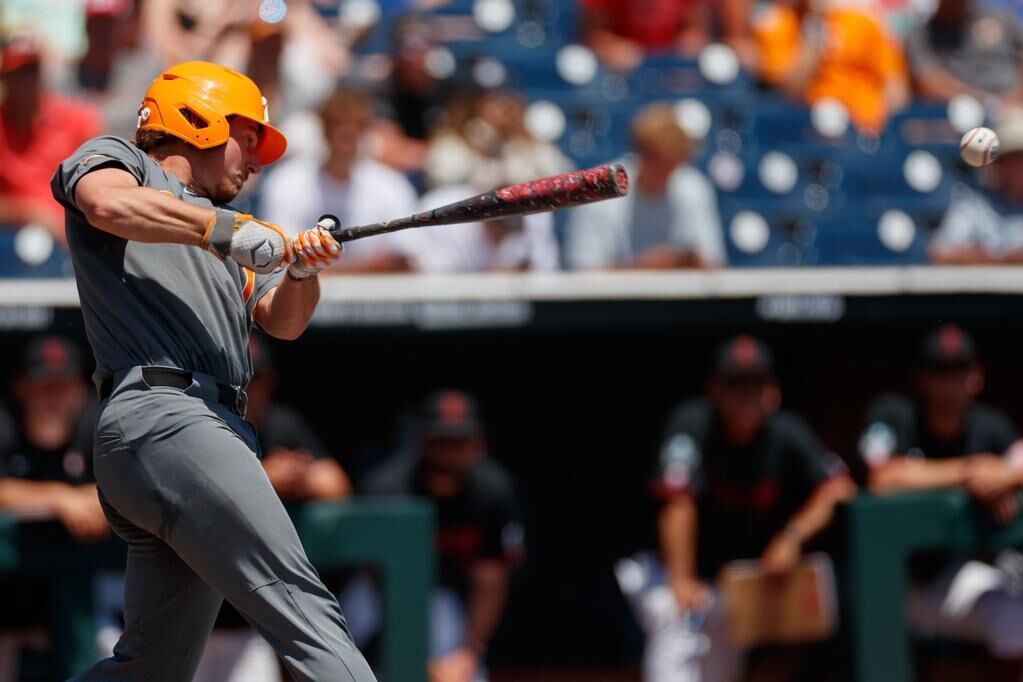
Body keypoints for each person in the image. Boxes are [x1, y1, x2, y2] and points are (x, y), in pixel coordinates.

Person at [49, 60, 374, 681]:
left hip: (198, 431)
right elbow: (106, 204)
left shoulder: (223, 244)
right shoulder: (124, 160)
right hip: (164, 414)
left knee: (151, 668)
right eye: (247, 138)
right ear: (196, 118)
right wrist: (228, 230)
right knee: (300, 604)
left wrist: (301, 270)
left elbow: (283, 321)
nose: (254, 162)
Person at [632, 336, 855, 682]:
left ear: (773, 391)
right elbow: (678, 500)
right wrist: (681, 578)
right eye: (736, 385)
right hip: (676, 575)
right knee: (670, 616)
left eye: (756, 384)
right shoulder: (694, 423)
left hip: (741, 585)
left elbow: (839, 488)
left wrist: (791, 537)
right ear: (715, 389)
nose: (746, 396)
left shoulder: (786, 432)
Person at [859, 324, 1023, 665]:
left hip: (942, 579)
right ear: (922, 377)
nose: (950, 381)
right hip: (882, 585)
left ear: (975, 376)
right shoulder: (894, 413)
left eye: (959, 369)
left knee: (1014, 619)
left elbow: (1017, 458)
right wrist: (971, 472)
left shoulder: (990, 425)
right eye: (939, 370)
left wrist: (1009, 475)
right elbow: (881, 475)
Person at [192, 335, 353, 682]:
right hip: (187, 617)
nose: (245, 388)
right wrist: (264, 477)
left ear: (269, 383)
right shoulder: (196, 417)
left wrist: (297, 476)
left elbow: (336, 484)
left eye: (254, 379)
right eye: (236, 377)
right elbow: (187, 492)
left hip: (246, 623)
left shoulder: (281, 425)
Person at [346, 390, 524, 682]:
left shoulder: (493, 493)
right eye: (443, 440)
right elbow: (374, 578)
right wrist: (419, 657)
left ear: (477, 442)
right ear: (424, 441)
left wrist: (468, 653)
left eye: (460, 440)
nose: (452, 451)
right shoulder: (388, 489)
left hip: (445, 598)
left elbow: (490, 579)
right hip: (378, 596)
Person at [0, 336, 105, 681]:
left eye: (64, 386)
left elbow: (147, 482)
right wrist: (60, 497)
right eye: (44, 385)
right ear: (21, 387)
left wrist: (104, 496)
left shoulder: (98, 425)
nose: (55, 398)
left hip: (86, 610)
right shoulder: (5, 424)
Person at [260, 86, 420, 273]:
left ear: (365, 129)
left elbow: (403, 258)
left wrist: (326, 272)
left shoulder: (391, 185)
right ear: (323, 127)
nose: (345, 133)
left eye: (355, 125)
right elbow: (280, 254)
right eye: (337, 123)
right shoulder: (287, 182)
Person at [565, 102, 725, 270]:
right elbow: (584, 271)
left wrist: (691, 260)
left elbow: (713, 265)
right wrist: (644, 267)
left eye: (672, 165)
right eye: (658, 163)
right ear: (640, 153)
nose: (665, 174)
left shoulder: (694, 188)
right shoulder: (600, 189)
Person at [0, 35, 103, 242]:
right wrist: (30, 213)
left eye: (32, 71)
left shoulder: (74, 120)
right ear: (5, 79)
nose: (26, 81)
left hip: (69, 236)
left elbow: (100, 183)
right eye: (19, 73)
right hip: (9, 236)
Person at [754, 0, 910, 133]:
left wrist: (874, 124)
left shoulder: (861, 23)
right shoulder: (778, 24)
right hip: (809, 129)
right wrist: (815, 30)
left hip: (866, 130)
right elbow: (790, 92)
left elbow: (896, 91)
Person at [424, 88, 571, 191]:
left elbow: (558, 175)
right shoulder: (453, 140)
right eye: (493, 102)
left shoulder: (527, 144)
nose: (502, 111)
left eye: (507, 103)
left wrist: (526, 140)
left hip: (514, 219)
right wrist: (484, 138)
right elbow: (443, 178)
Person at [931, 109, 1023, 264]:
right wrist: (1002, 258)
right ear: (1001, 163)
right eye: (1014, 159)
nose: (1019, 166)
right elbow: (941, 252)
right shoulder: (974, 205)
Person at [407, 183, 560, 273]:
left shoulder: (534, 215)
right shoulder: (445, 213)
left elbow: (543, 273)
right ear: (486, 220)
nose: (503, 238)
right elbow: (430, 276)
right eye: (500, 229)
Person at [579, 0, 755, 72]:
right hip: (620, 73)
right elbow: (591, 34)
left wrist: (688, 44)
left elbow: (695, 30)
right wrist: (611, 46)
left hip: (673, 69)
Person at [906, 0, 1023, 106]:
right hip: (957, 111)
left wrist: (1016, 95)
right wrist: (987, 101)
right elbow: (929, 83)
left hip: (1012, 107)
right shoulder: (921, 37)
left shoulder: (1001, 17)